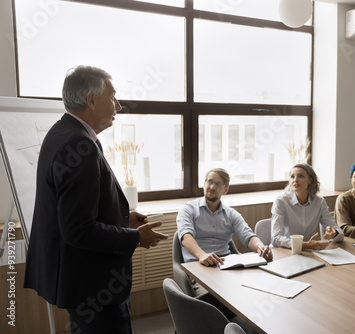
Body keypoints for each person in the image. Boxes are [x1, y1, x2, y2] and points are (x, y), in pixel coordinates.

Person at [24, 65, 168, 334]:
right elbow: (78, 229)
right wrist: (135, 238)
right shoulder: (79, 146)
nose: (119, 105)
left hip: (80, 279)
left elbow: (73, 211)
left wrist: (122, 219)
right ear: (91, 100)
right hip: (93, 286)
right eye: (112, 96)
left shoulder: (62, 132)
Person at [176, 168, 273, 269]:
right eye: (210, 182)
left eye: (218, 184)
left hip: (226, 265)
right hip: (198, 265)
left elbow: (248, 236)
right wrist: (202, 255)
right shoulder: (188, 209)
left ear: (225, 189)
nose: (212, 187)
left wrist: (261, 247)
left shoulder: (231, 214)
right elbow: (186, 238)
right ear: (204, 184)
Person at [271, 163, 344, 250]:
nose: (295, 180)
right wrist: (302, 245)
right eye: (292, 177)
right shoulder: (281, 201)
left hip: (309, 251)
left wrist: (334, 233)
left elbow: (340, 233)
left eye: (300, 176)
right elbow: (275, 238)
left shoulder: (319, 201)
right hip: (286, 250)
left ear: (310, 180)